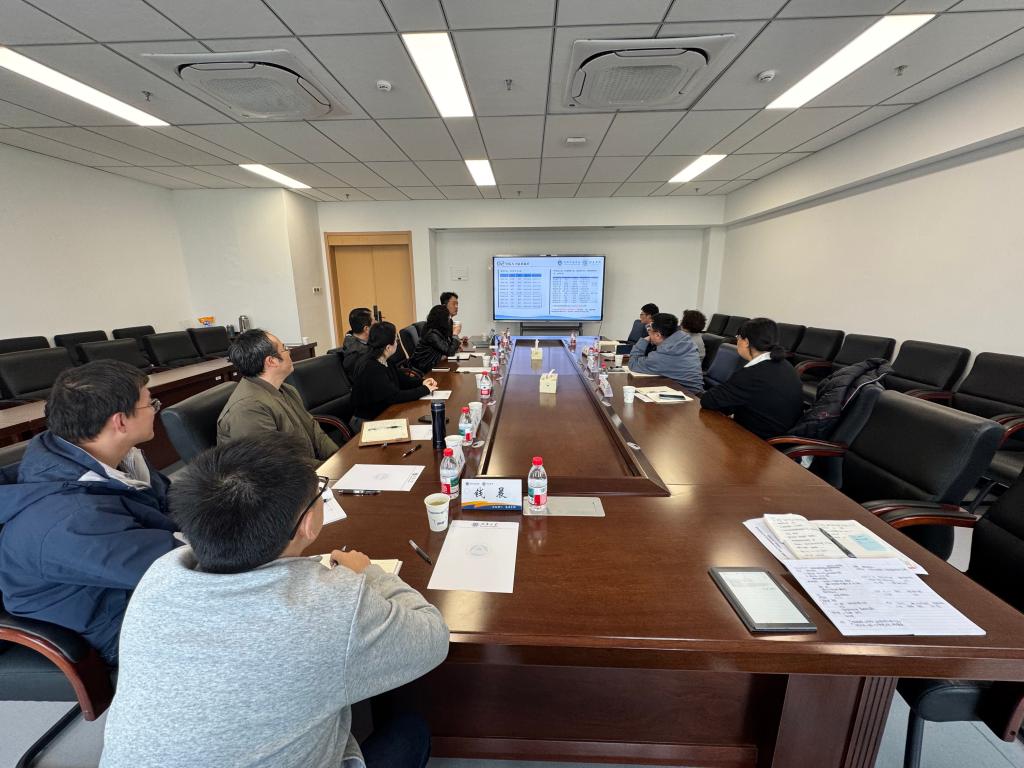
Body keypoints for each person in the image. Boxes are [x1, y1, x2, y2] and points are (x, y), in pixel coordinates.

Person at [98, 434, 449, 768]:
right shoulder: (333, 605)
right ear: (307, 523)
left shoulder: (159, 576)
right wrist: (368, 573)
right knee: (410, 731)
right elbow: (433, 637)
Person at [0, 360, 179, 665]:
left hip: (130, 580)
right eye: (151, 404)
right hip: (114, 624)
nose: (155, 410)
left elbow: (168, 503)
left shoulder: (113, 457)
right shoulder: (72, 519)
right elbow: (175, 567)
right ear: (120, 422)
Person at [217, 329, 338, 461]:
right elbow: (277, 463)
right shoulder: (247, 409)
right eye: (284, 348)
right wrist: (329, 470)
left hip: (311, 467)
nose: (289, 352)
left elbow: (315, 431)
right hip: (289, 472)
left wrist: (338, 457)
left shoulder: (287, 390)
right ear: (271, 361)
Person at [699, 317, 805, 440]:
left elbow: (708, 400)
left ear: (746, 342)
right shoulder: (785, 364)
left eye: (738, 337)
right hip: (783, 436)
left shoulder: (752, 374)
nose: (737, 341)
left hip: (762, 444)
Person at [352, 322, 438, 420]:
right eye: (396, 340)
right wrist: (424, 390)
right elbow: (394, 396)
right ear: (388, 347)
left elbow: (401, 379)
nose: (397, 343)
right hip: (368, 421)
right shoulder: (371, 368)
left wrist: (422, 382)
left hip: (384, 413)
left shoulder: (384, 359)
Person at [627, 312, 704, 393]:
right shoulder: (685, 339)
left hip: (687, 395)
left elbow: (633, 363)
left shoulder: (664, 354)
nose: (648, 332)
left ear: (658, 335)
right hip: (691, 391)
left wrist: (644, 340)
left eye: (649, 330)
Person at [409, 304, 461, 373]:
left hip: (434, 363)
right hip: (426, 367)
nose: (449, 320)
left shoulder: (437, 330)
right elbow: (450, 352)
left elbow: (447, 345)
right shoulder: (432, 334)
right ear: (442, 320)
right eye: (447, 318)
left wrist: (456, 340)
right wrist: (455, 335)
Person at [341, 306, 373, 380]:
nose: (377, 323)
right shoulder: (355, 354)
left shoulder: (366, 343)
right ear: (366, 329)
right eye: (374, 321)